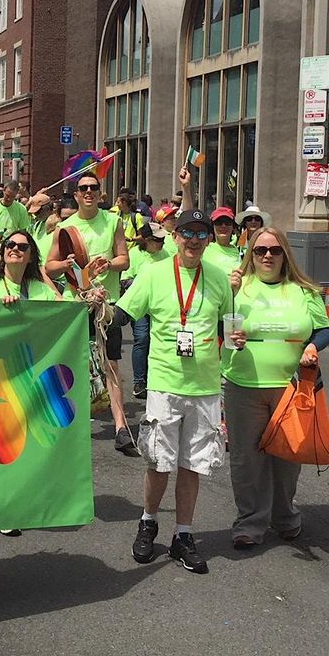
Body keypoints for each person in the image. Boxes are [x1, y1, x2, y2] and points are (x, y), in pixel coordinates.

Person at [118, 210, 234, 574]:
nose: (195, 240)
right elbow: (122, 313)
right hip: (165, 384)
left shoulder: (217, 278)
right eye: (188, 233)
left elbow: (230, 326)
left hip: (205, 387)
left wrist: (238, 340)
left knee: (192, 464)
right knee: (159, 461)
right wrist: (92, 313)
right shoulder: (153, 274)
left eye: (202, 234)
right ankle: (148, 521)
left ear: (208, 240)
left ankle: (183, 535)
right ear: (176, 237)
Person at [222, 226, 329, 549]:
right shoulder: (236, 287)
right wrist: (231, 333)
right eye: (260, 250)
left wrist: (313, 347)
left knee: (288, 457)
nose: (267, 256)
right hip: (243, 383)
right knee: (246, 459)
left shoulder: (305, 290)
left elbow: (324, 330)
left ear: (286, 254)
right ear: (250, 255)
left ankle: (285, 516)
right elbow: (219, 325)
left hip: (292, 385)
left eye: (274, 250)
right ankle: (250, 522)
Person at [45, 171, 132, 453]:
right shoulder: (66, 227)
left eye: (93, 188)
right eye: (83, 188)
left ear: (100, 193)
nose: (88, 192)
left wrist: (109, 263)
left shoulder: (113, 221)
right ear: (76, 194)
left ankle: (120, 426)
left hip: (107, 304)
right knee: (79, 363)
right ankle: (77, 421)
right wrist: (68, 264)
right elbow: (50, 266)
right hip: (77, 303)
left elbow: (125, 260)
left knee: (111, 364)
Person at [122, 222, 173, 399]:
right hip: (141, 305)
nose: (162, 243)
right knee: (142, 338)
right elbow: (125, 279)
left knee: (158, 339)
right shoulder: (134, 255)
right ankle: (139, 380)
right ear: (146, 240)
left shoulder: (166, 254)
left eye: (162, 240)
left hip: (162, 304)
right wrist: (142, 283)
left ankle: (156, 378)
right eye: (157, 240)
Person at [0, 229, 62, 302]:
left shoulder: (40, 288)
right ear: (3, 252)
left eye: (22, 247)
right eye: (10, 244)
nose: (15, 248)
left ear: (31, 257)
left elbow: (67, 308)